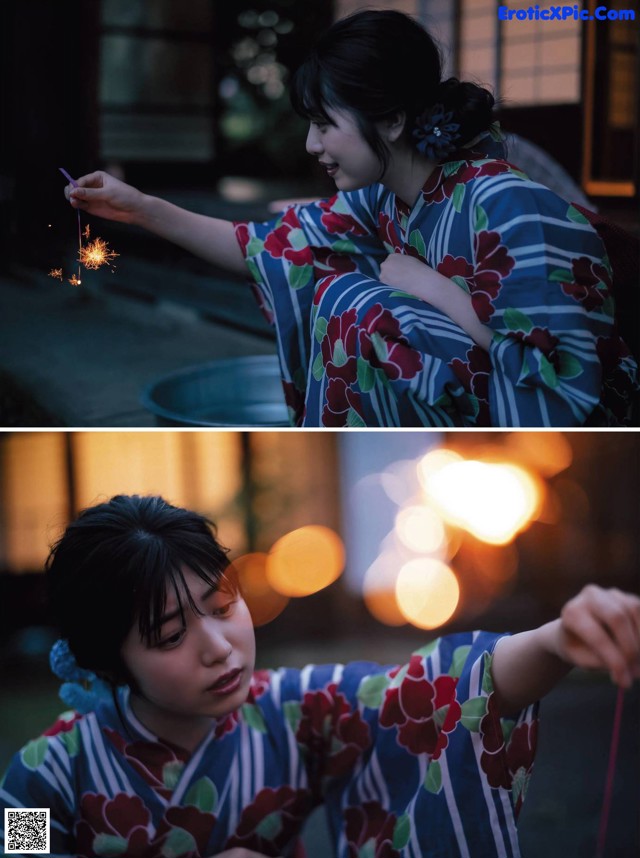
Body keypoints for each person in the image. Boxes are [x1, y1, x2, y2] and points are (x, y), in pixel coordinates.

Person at [62, 10, 637, 428]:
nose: (312, 145)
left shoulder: (506, 204)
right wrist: (140, 208)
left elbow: (565, 382)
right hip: (489, 395)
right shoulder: (384, 198)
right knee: (335, 280)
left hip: (564, 420)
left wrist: (435, 289)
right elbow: (266, 247)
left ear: (389, 120)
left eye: (324, 124)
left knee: (355, 305)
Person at [1, 494, 639, 858]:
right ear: (108, 660)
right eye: (170, 635)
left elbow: (439, 689)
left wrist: (557, 639)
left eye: (224, 607)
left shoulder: (290, 710)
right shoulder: (36, 777)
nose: (220, 648)